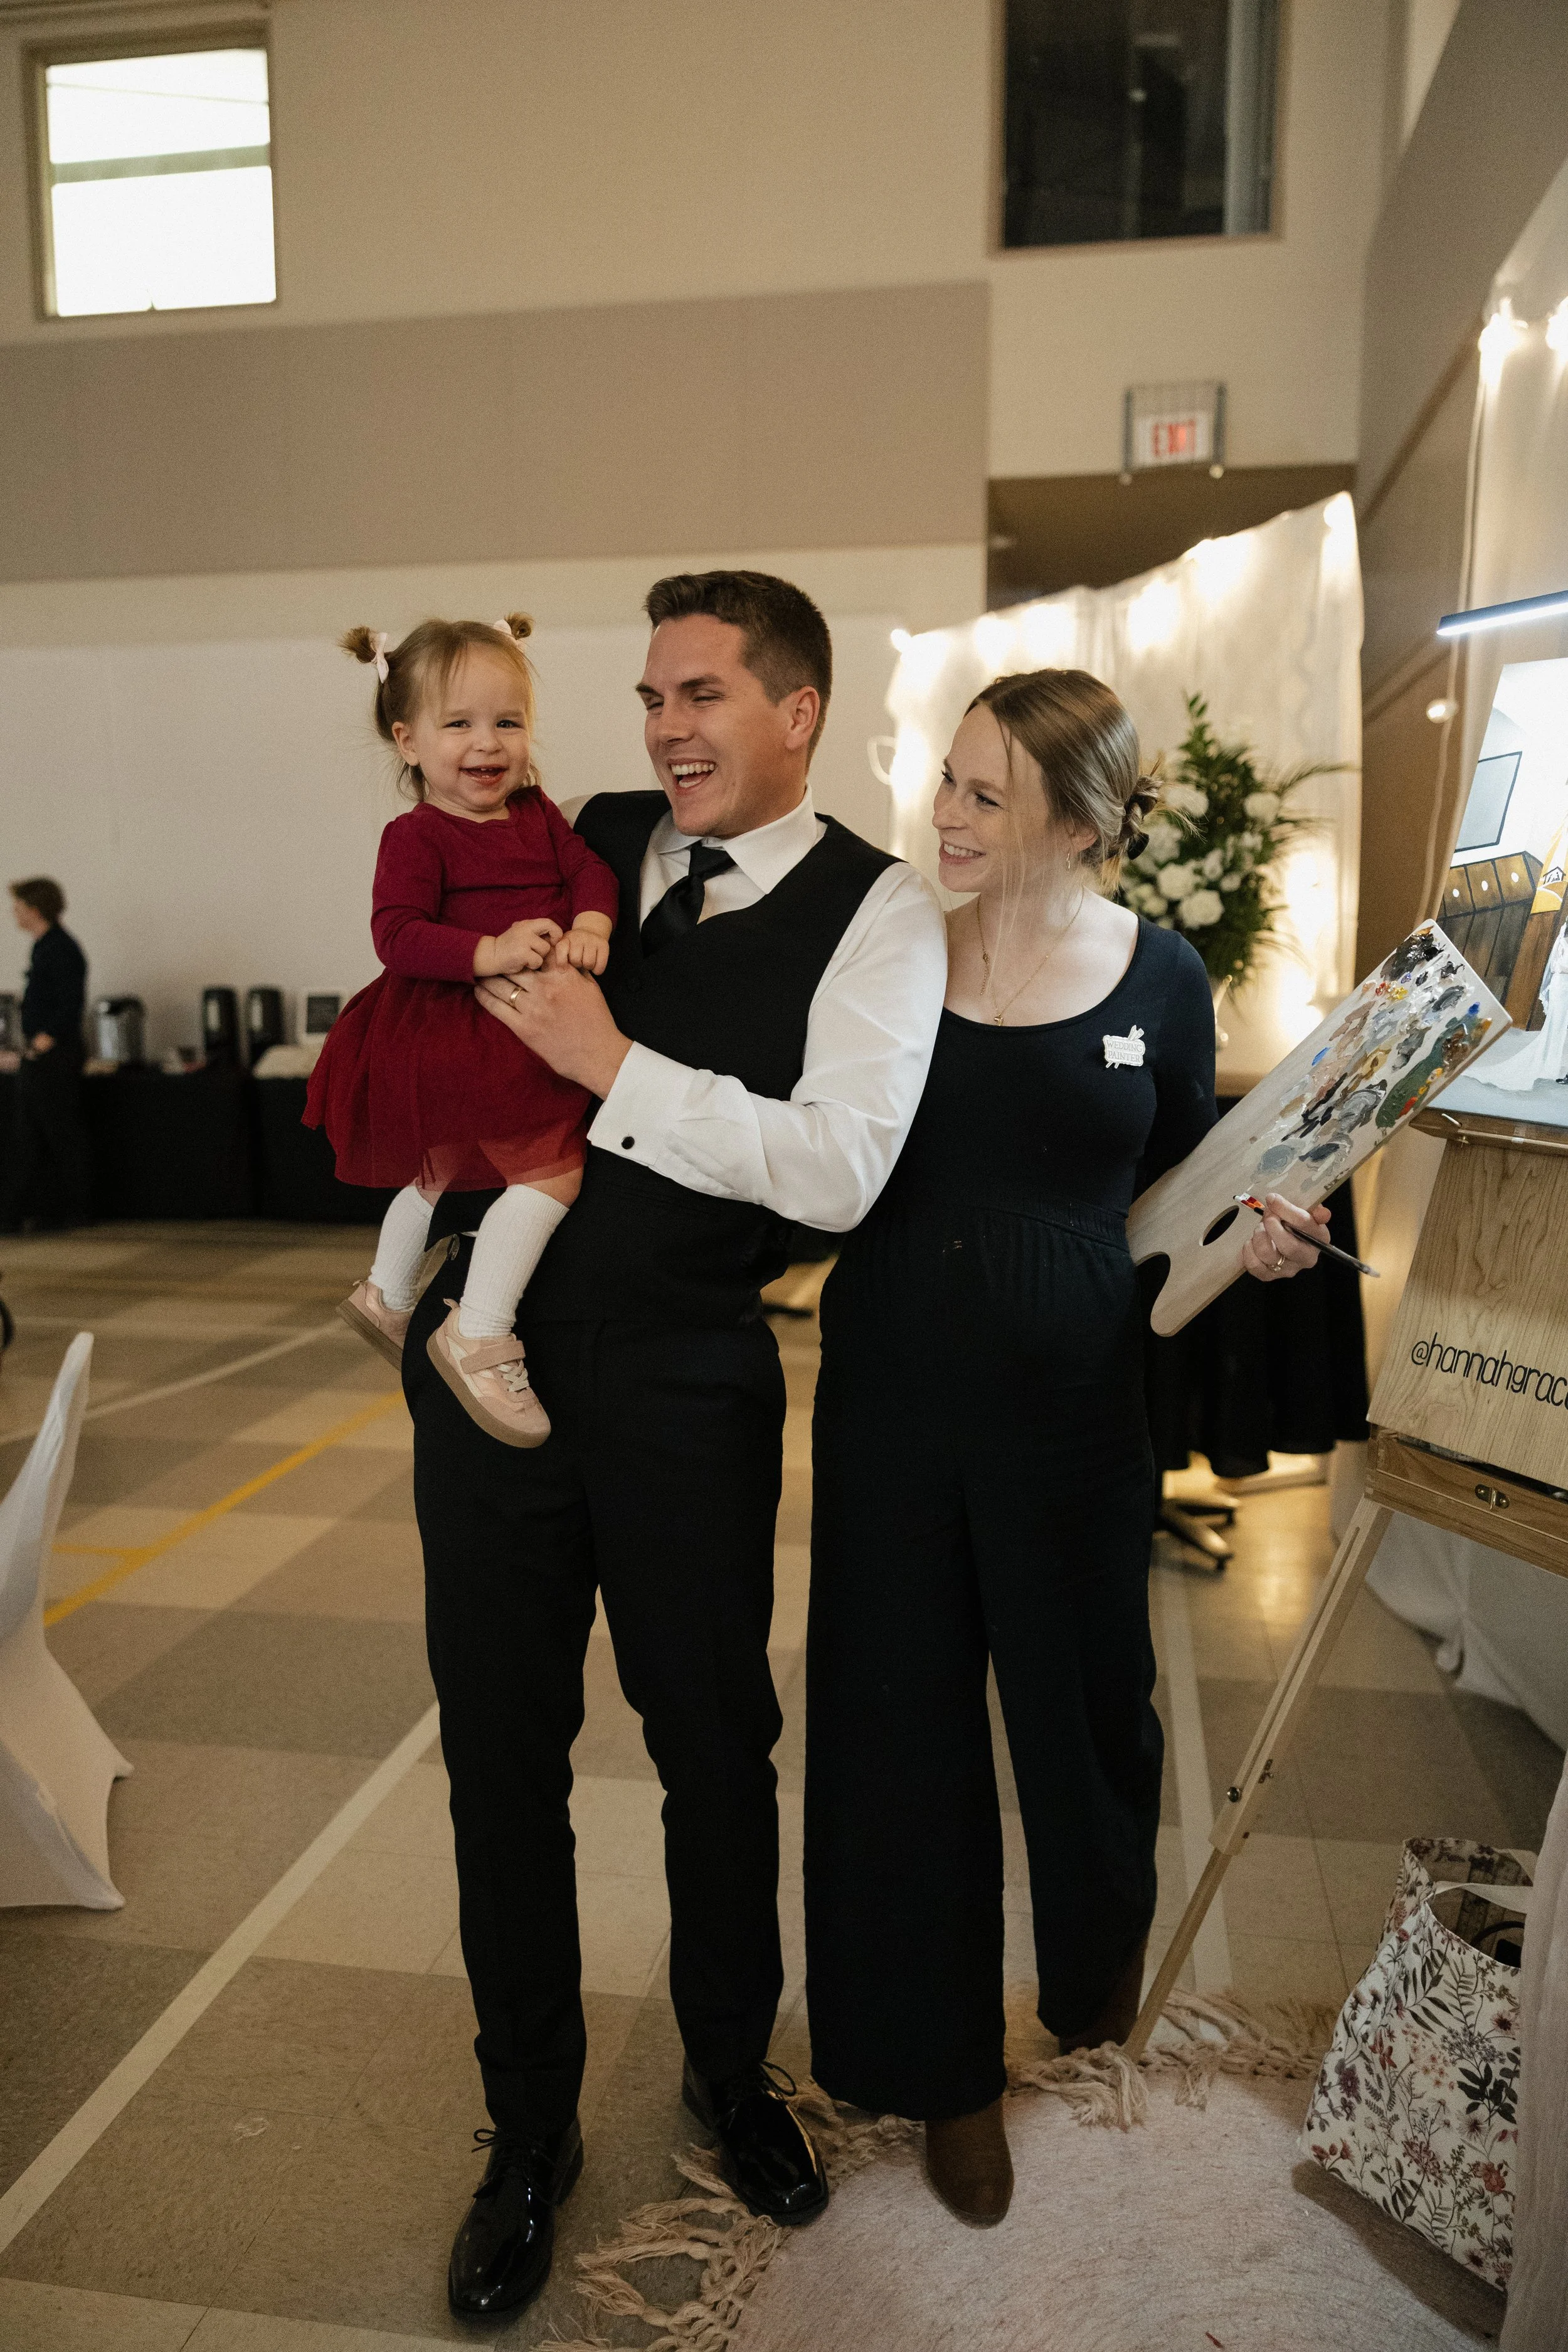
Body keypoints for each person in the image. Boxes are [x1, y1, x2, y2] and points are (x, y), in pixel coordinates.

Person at [402, 571, 948, 2321]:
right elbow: (425, 860)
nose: (663, 728)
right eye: (647, 695)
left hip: (688, 1382)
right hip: (486, 1375)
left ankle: (730, 2073)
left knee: (714, 1744)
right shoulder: (584, 829)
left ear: (797, 709)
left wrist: (611, 1056)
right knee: (502, 1758)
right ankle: (529, 2133)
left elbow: (842, 1167)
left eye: (702, 693)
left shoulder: (880, 913)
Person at [802, 670, 1326, 2226]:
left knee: (1093, 1712)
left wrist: (1264, 1240)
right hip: (893, 1393)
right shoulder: (888, 941)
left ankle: (1089, 1975)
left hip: (1080, 1409)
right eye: (945, 782)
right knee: (899, 1731)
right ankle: (943, 2071)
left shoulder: (1158, 975)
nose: (945, 818)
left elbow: (1186, 1188)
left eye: (985, 796)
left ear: (1082, 824)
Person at [304, 616, 618, 1444]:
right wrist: (491, 948)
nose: (488, 743)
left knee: (441, 1170)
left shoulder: (537, 813)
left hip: (500, 1030)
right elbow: (396, 934)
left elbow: (588, 866)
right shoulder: (414, 836)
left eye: (507, 722)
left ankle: (386, 1290)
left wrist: (593, 917)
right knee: (553, 1173)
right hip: (454, 1027)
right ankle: (479, 1325)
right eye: (460, 724)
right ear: (407, 741)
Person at [0, 877, 91, 1232]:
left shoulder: (61, 949)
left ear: (35, 911)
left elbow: (69, 1006)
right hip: (45, 1055)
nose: (14, 914)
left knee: (58, 1134)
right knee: (33, 1134)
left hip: (55, 1057)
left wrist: (36, 1049)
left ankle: (74, 1210)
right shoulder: (45, 947)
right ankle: (32, 1211)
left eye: (19, 908)